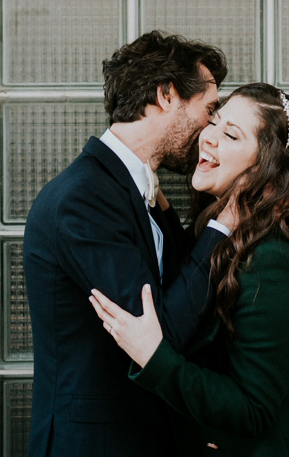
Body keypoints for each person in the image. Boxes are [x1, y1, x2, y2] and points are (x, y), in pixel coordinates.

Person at [89, 84, 289, 456]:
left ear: (269, 167)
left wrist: (153, 356)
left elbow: (252, 410)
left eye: (231, 134)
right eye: (214, 122)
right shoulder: (229, 232)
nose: (208, 137)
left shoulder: (276, 259)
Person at [23, 31, 233, 457]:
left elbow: (176, 295)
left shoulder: (135, 192)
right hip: (95, 442)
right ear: (166, 94)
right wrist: (226, 224)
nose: (211, 129)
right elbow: (156, 334)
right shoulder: (85, 198)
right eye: (209, 110)